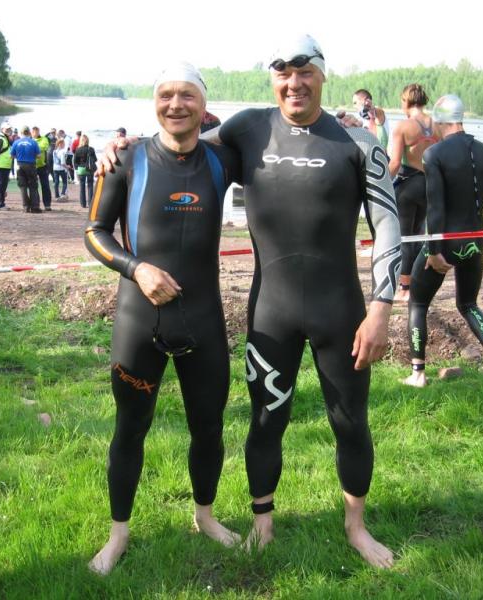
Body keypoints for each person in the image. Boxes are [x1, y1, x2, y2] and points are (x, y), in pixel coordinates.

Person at [102, 35, 402, 568]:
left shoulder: (358, 142)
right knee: (265, 421)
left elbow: (388, 223)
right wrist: (121, 147)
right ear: (272, 79)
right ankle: (262, 525)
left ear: (322, 76)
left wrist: (382, 306)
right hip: (271, 314)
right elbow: (179, 143)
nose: (295, 83)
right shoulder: (248, 129)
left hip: (341, 311)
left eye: (305, 72)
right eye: (284, 73)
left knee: (351, 422)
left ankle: (357, 527)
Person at [85, 61, 241, 576]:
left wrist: (348, 126)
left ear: (204, 105)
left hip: (203, 320)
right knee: (130, 428)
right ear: (154, 103)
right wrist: (137, 268)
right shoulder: (126, 160)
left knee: (209, 428)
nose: (176, 104)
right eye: (166, 95)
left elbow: (278, 143)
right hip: (139, 322)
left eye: (187, 95)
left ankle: (205, 516)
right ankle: (118, 534)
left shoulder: (222, 160)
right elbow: (94, 233)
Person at [403, 94, 483, 388]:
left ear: (439, 121)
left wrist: (433, 251)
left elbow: (436, 208)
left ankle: (417, 374)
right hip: (474, 241)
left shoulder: (434, 154)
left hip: (445, 241)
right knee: (469, 303)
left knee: (418, 303)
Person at [388, 83, 438, 302]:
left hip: (408, 186)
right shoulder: (438, 125)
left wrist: (380, 184)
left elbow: (395, 163)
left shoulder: (403, 126)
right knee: (419, 235)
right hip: (429, 185)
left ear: (406, 101)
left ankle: (405, 288)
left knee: (405, 237)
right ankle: (416, 283)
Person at [10, 126, 42, 213]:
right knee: (33, 186)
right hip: (31, 165)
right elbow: (39, 156)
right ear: (29, 132)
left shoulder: (16, 142)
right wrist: (32, 156)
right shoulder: (33, 142)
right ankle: (35, 207)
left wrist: (18, 157)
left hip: (20, 165)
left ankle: (26, 207)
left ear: (21, 133)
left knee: (22, 186)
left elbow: (11, 156)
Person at [73, 133, 97, 208]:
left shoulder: (78, 149)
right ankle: (90, 203)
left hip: (81, 169)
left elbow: (75, 161)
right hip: (89, 169)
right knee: (90, 186)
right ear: (87, 141)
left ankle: (83, 204)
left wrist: (76, 169)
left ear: (81, 141)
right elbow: (95, 159)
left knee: (82, 186)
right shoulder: (91, 149)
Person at [32, 126, 52, 211]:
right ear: (32, 132)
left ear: (39, 131)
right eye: (34, 131)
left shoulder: (44, 139)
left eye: (37, 131)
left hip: (42, 166)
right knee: (33, 186)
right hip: (32, 166)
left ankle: (47, 205)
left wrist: (33, 148)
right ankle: (35, 204)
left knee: (45, 186)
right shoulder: (29, 139)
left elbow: (44, 147)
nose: (35, 133)